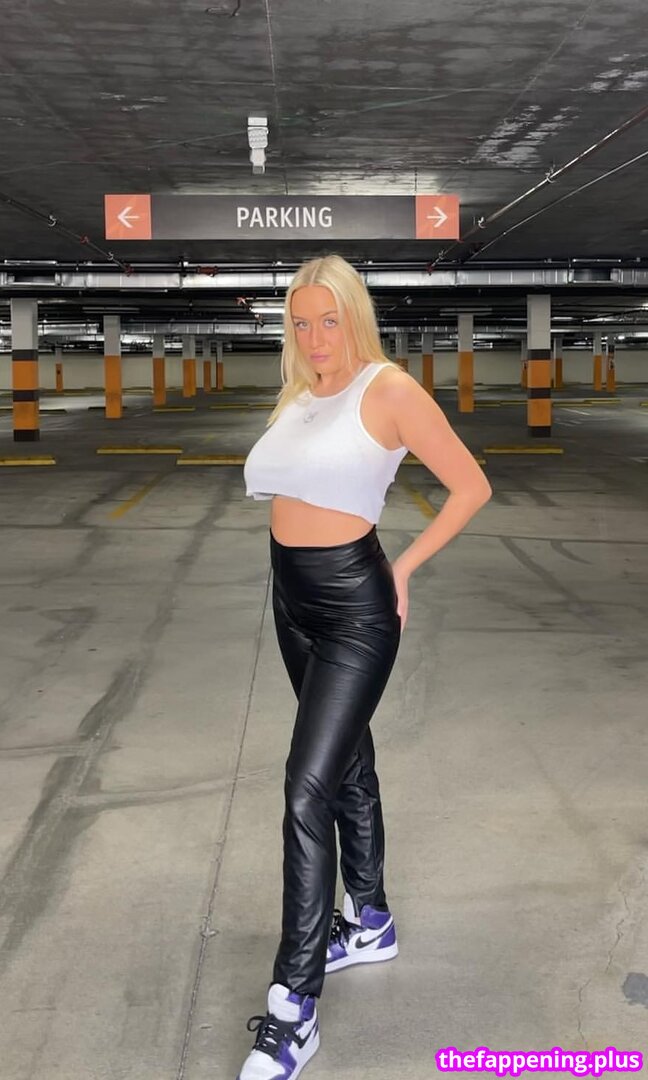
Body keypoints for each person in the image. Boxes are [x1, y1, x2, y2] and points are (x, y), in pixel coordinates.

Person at [239, 254, 492, 1079]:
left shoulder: (388, 390)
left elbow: (471, 486)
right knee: (346, 764)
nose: (316, 337)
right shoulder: (300, 393)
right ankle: (371, 920)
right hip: (291, 599)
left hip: (354, 607)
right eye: (301, 323)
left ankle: (294, 1005)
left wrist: (403, 568)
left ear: (355, 315)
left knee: (304, 789)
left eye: (329, 319)